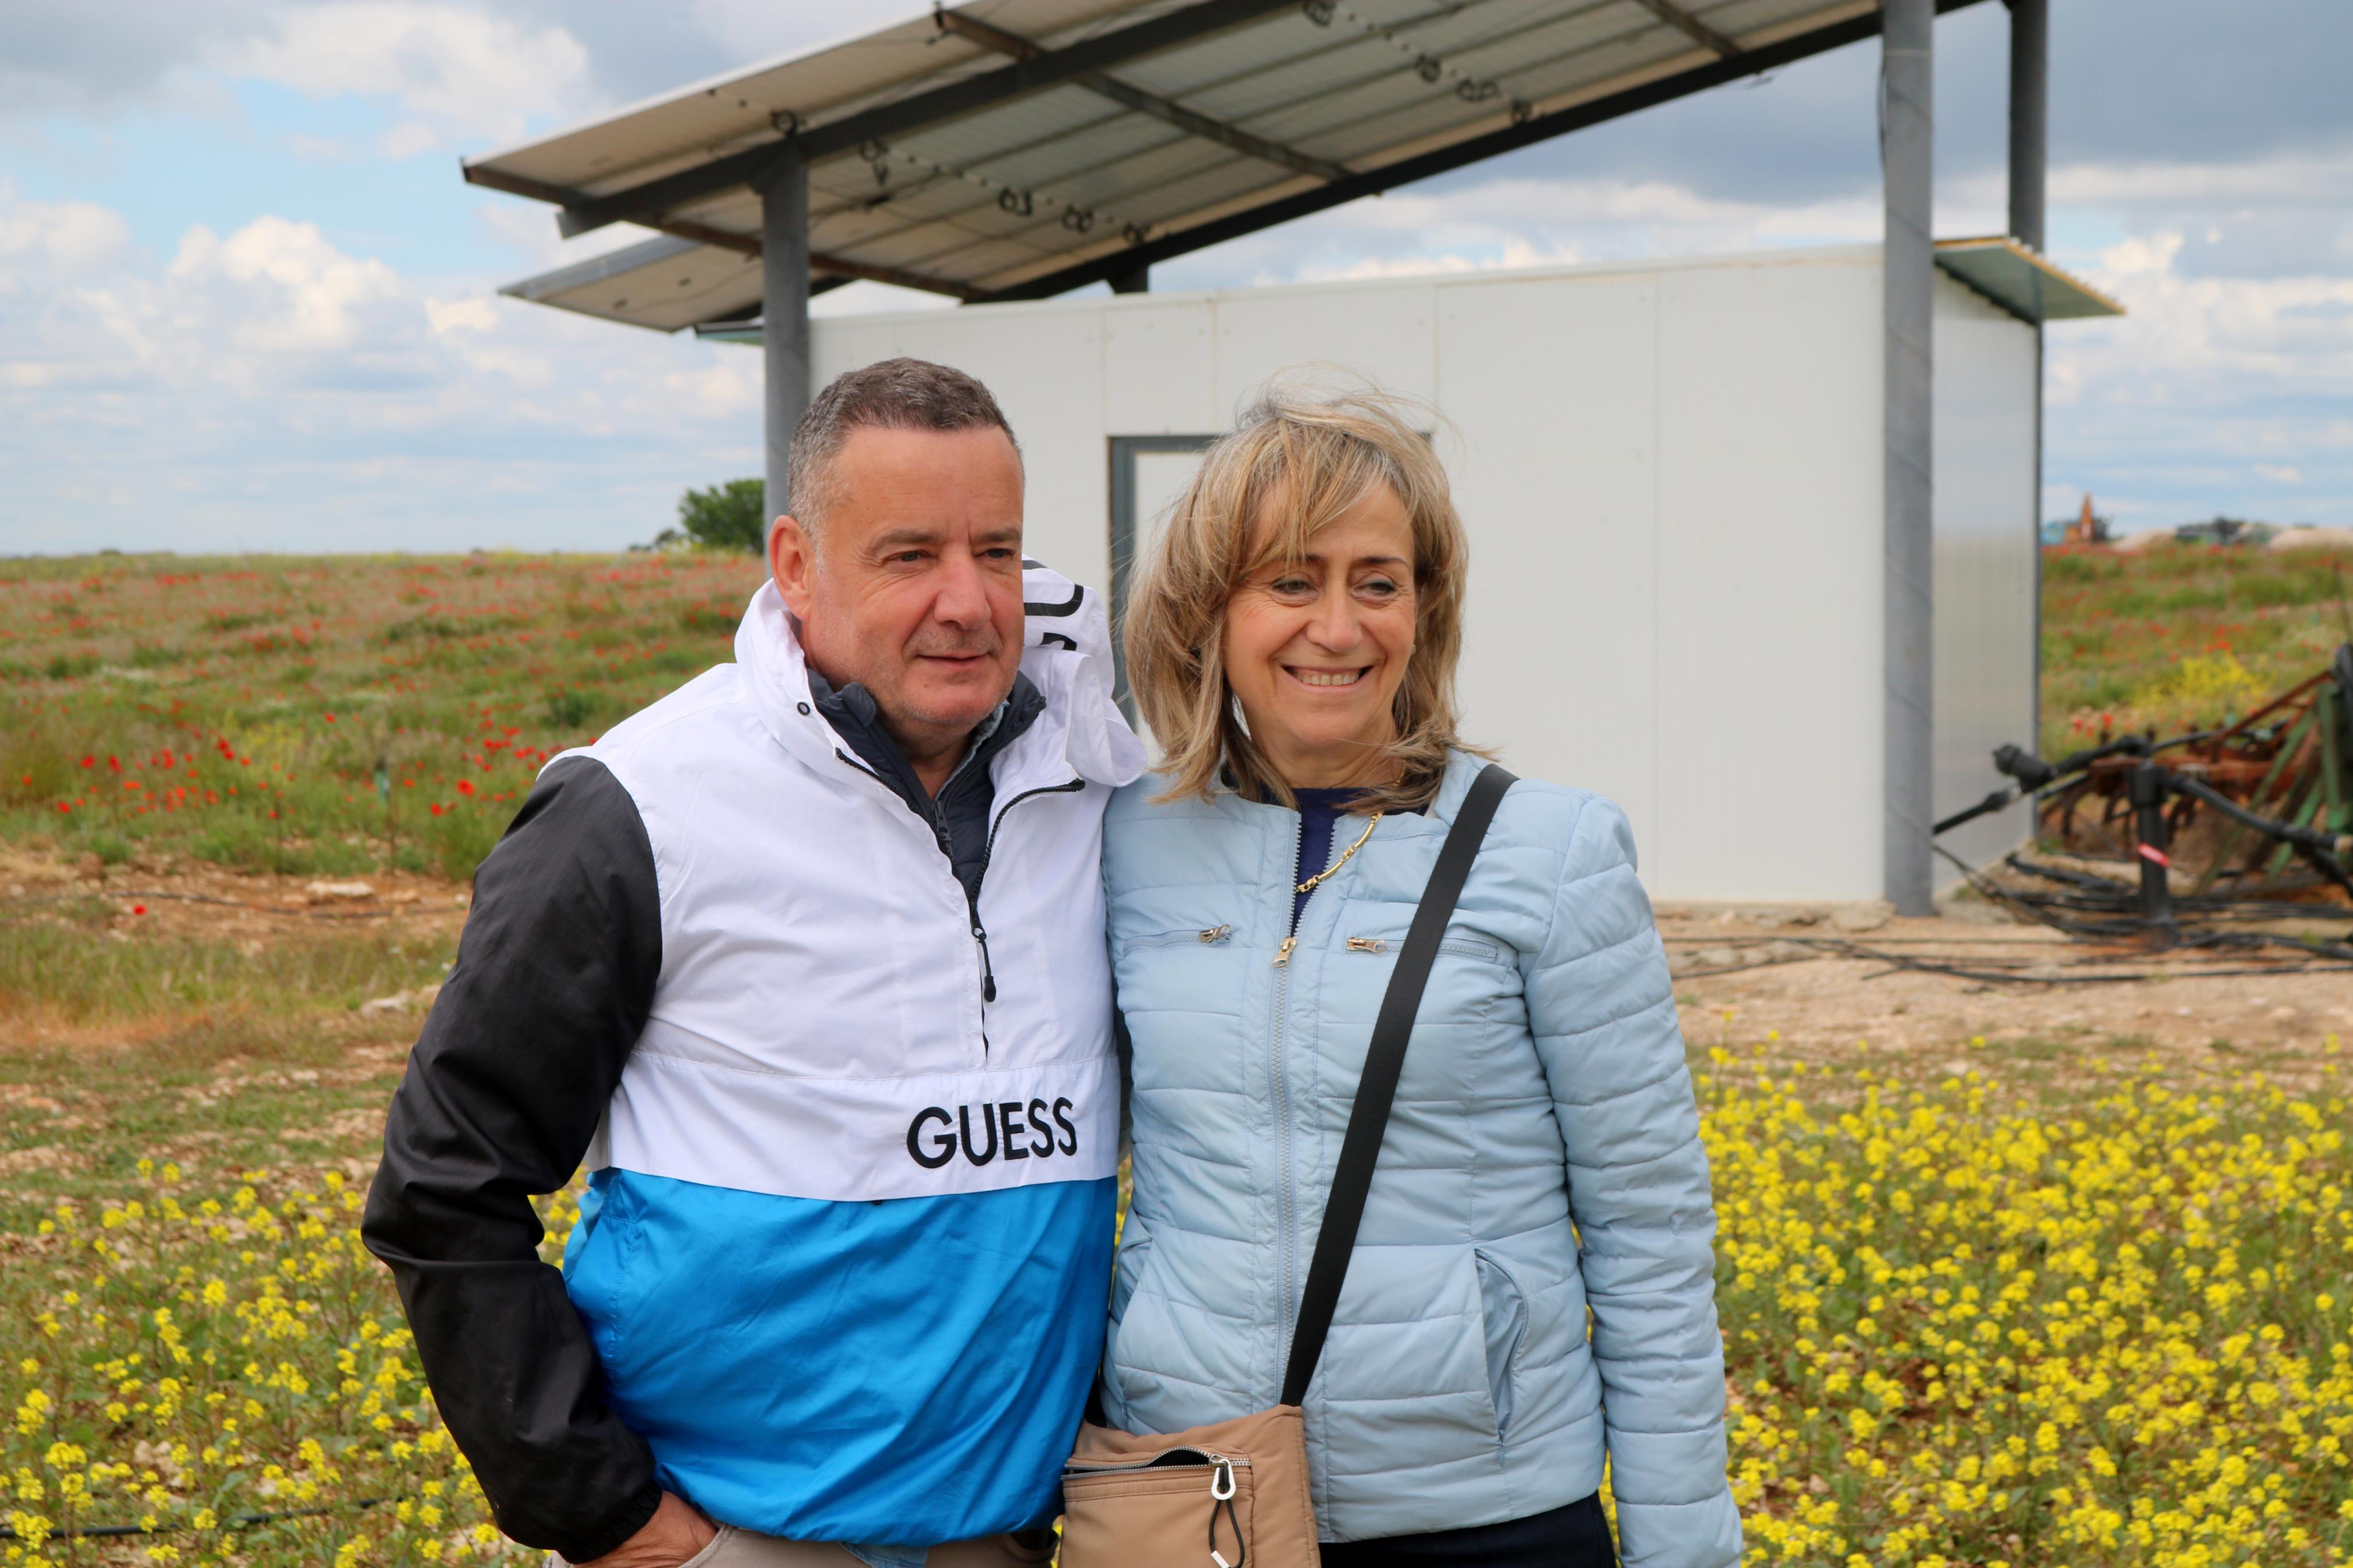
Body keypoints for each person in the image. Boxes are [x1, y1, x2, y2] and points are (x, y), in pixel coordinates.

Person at [363, 358, 1144, 1568]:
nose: (969, 600)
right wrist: (619, 1522)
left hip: (1015, 1538)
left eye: (997, 549)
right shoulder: (637, 805)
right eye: (908, 555)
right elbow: (444, 1184)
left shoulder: (1107, 791)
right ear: (793, 563)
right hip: (733, 1540)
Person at [1098, 385, 1741, 1567]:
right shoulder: (1125, 846)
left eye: (1377, 581)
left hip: (1486, 1511)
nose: (1336, 627)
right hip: (1196, 1497)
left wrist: (1680, 1550)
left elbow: (1648, 1233)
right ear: (1214, 607)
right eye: (1292, 579)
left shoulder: (1551, 851)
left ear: (1425, 609)